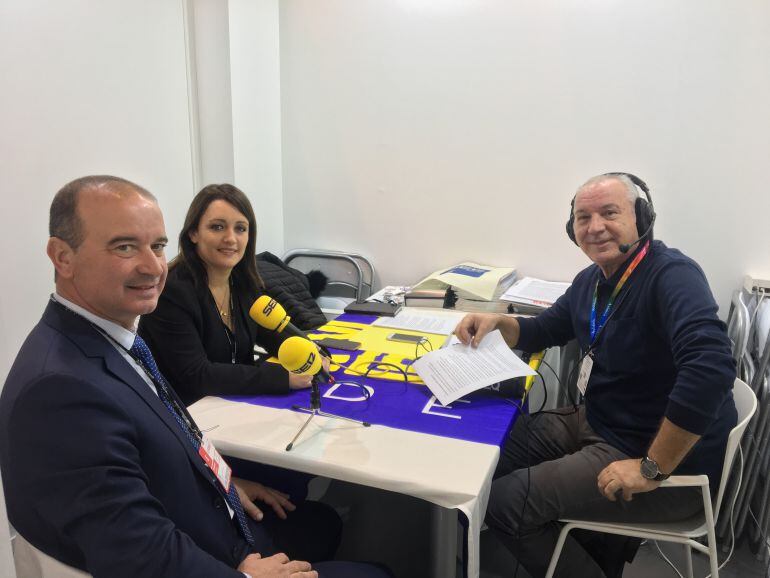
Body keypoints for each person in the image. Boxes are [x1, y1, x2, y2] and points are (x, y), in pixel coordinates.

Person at [0, 175, 389, 578]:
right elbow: (136, 553)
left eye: (157, 246)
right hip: (211, 555)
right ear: (62, 257)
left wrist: (224, 483)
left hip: (213, 518)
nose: (153, 267)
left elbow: (159, 446)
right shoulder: (60, 391)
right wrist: (246, 575)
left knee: (322, 522)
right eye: (125, 247)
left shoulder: (114, 341)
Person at [455, 172, 737, 578]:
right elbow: (545, 330)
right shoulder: (592, 280)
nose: (595, 227)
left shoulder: (673, 275)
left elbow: (711, 369)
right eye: (583, 217)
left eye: (609, 213)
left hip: (662, 463)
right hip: (604, 424)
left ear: (642, 218)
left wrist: (651, 467)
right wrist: (499, 322)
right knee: (488, 448)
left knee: (505, 504)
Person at [139, 184, 320, 407]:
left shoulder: (245, 284)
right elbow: (196, 375)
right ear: (193, 233)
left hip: (234, 403)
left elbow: (273, 336)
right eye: (217, 227)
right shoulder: (171, 292)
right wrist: (281, 378)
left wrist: (311, 354)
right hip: (190, 411)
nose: (231, 238)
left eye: (240, 228)